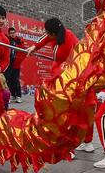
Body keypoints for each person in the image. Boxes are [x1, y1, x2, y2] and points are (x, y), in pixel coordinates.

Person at [29, 18, 89, 150]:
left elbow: (77, 62)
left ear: (54, 34)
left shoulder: (70, 40)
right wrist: (34, 47)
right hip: (57, 76)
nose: (47, 35)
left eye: (49, 33)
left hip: (68, 78)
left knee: (67, 111)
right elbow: (44, 39)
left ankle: (71, 143)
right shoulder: (56, 34)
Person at [5, 27, 27, 104]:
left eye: (13, 33)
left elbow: (24, 53)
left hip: (16, 64)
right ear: (9, 34)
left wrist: (18, 61)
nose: (12, 34)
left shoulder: (20, 41)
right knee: (9, 80)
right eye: (11, 33)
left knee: (16, 80)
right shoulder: (6, 40)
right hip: (8, 63)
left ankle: (18, 96)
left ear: (15, 33)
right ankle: (12, 95)